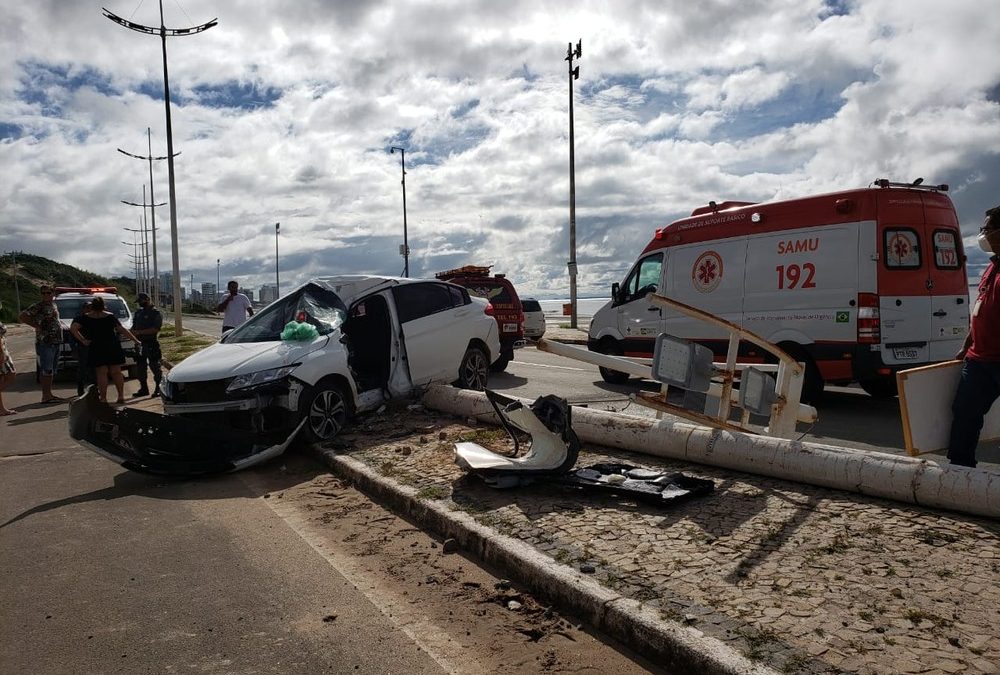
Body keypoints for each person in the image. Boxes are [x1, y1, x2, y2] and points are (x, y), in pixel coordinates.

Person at [948, 205, 1000, 468]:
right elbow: (980, 311)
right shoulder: (991, 268)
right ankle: (959, 471)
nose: (983, 234)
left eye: (988, 229)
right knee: (965, 412)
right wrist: (966, 345)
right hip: (978, 360)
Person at [70, 296, 140, 404]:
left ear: (92, 306)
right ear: (103, 306)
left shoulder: (85, 317)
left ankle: (103, 398)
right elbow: (121, 329)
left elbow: (73, 328)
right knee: (116, 372)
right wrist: (135, 340)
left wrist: (83, 340)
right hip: (112, 346)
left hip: (96, 346)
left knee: (101, 373)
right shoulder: (110, 316)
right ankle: (121, 396)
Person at [18, 285, 63, 403]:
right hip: (45, 342)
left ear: (53, 294)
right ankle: (46, 396)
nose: (46, 295)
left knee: (51, 370)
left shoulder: (53, 305)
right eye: (43, 293)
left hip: (55, 341)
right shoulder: (39, 306)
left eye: (48, 293)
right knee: (46, 369)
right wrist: (36, 326)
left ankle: (49, 394)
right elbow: (23, 316)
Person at [130, 292, 163, 397]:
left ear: (147, 299)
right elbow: (133, 327)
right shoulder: (138, 313)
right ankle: (144, 388)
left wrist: (139, 332)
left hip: (151, 343)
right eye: (139, 302)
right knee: (140, 368)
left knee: (155, 366)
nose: (140, 303)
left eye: (141, 301)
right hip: (140, 344)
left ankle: (159, 388)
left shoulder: (155, 313)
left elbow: (155, 329)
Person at [71, 300, 95, 397]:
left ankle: (94, 390)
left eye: (91, 307)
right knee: (82, 370)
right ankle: (80, 390)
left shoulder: (95, 319)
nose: (89, 309)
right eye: (87, 307)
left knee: (94, 370)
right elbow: (72, 335)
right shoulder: (78, 319)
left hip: (94, 348)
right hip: (82, 348)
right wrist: (74, 348)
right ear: (83, 309)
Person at [0, 300, 17, 415]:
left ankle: (2, 409)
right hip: (1, 351)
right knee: (11, 375)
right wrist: (1, 352)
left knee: (2, 378)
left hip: (3, 350)